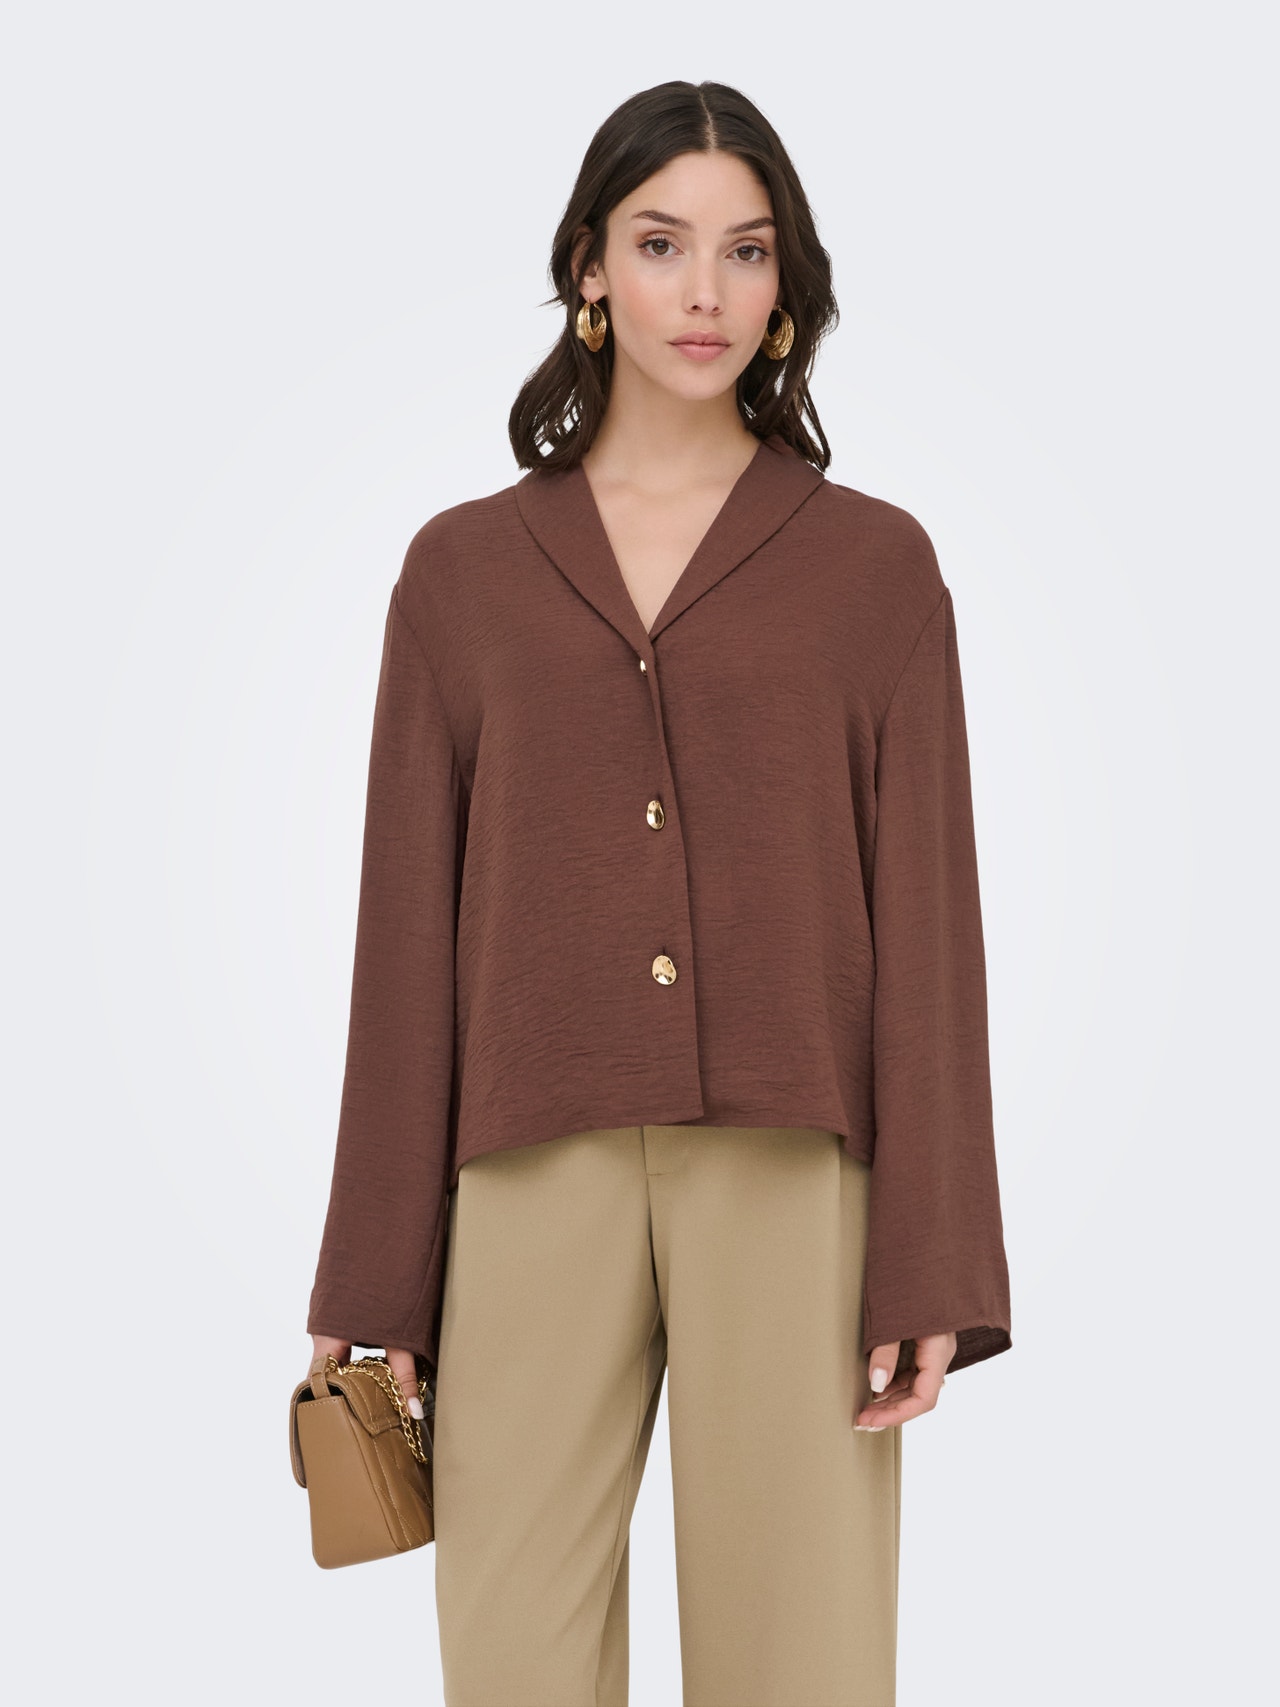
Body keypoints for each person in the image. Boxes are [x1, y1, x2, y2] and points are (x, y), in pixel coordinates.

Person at [305, 78, 1011, 1707]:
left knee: (801, 1661)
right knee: (512, 1656)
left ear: (785, 288)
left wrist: (935, 1255)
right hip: (527, 1169)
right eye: (660, 242)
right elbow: (404, 936)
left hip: (795, 1169)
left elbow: (931, 927)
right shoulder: (461, 574)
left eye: (746, 251)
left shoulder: (876, 569)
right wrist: (374, 1269)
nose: (705, 290)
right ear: (589, 269)